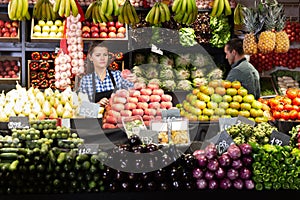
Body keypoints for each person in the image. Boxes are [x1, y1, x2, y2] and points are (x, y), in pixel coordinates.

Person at [78, 41, 136, 106]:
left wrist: (134, 81)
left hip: (115, 115)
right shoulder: (86, 81)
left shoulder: (117, 76)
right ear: (91, 57)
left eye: (105, 55)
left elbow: (133, 95)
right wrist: (98, 105)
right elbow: (82, 109)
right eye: (98, 55)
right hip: (97, 116)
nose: (102, 58)